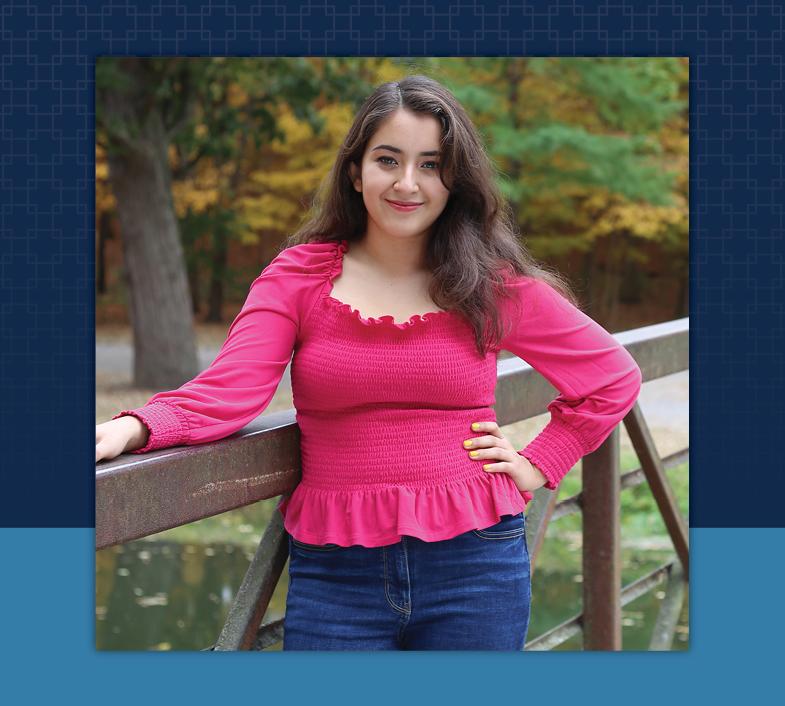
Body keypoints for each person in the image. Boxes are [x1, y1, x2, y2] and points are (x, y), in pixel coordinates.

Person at [96, 75, 642, 651]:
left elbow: (611, 377)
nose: (408, 183)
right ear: (356, 172)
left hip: (476, 566)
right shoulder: (298, 277)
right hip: (337, 573)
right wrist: (136, 426)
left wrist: (539, 463)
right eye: (389, 160)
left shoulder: (490, 286)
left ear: (454, 181)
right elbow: (233, 389)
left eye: (431, 165)